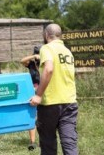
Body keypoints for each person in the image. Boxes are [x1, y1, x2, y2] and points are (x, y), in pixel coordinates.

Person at [30, 24, 78, 155]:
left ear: (46, 35)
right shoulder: (67, 51)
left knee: (48, 144)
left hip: (50, 104)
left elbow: (49, 69)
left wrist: (38, 95)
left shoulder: (46, 48)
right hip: (70, 102)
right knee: (70, 143)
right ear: (60, 35)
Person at [20, 46, 40, 151]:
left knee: (44, 117)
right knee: (33, 116)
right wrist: (33, 56)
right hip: (33, 92)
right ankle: (32, 142)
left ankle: (43, 140)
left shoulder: (46, 63)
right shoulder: (31, 64)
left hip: (45, 91)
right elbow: (22, 61)